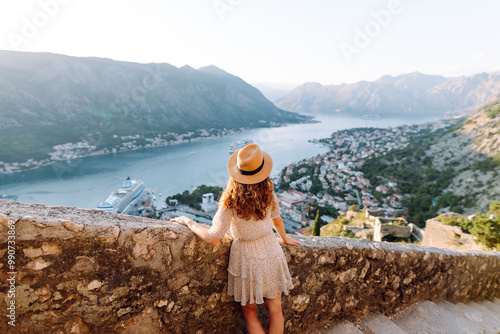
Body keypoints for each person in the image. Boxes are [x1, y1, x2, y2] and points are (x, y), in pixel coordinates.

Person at [172, 143, 300, 334]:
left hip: (247, 258)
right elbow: (278, 220)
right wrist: (285, 238)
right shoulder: (268, 193)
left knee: (249, 312)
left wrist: (190, 223)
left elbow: (213, 238)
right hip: (272, 251)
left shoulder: (230, 200)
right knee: (275, 309)